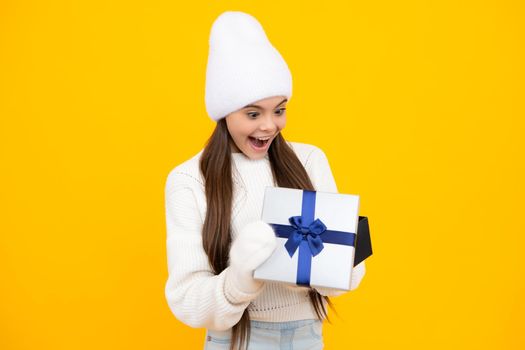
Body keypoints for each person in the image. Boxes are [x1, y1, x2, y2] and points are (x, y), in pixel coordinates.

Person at [164, 11, 366, 350]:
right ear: (224, 112)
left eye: (280, 109)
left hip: (307, 336)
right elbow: (187, 299)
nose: (270, 126)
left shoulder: (309, 160)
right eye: (253, 113)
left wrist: (334, 262)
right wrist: (240, 276)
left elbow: (350, 271)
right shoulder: (188, 179)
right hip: (236, 340)